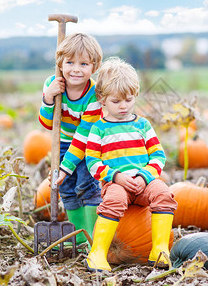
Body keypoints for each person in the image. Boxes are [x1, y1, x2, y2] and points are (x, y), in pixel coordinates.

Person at [85, 57, 178, 271]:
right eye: (116, 101)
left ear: (135, 95)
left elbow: (158, 155)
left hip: (144, 181)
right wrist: (116, 177)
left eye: (128, 100)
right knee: (115, 199)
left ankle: (160, 249)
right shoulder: (99, 129)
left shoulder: (143, 125)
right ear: (102, 99)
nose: (123, 106)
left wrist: (144, 176)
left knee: (163, 193)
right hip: (115, 183)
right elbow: (92, 162)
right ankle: (97, 252)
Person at [38, 32, 103, 245]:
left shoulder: (94, 94)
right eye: (70, 62)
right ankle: (77, 234)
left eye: (84, 63)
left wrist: (67, 166)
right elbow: (47, 124)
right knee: (65, 187)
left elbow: (84, 136)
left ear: (94, 67)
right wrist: (49, 97)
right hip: (62, 143)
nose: (76, 69)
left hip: (89, 145)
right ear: (60, 62)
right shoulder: (52, 84)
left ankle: (92, 237)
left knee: (86, 185)